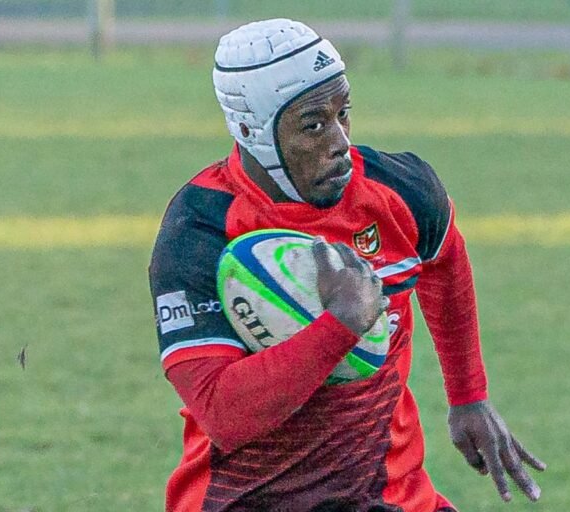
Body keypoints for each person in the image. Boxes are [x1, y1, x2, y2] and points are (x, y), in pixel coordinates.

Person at [149, 19, 545, 512]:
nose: (338, 141)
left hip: (390, 497)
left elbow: (445, 257)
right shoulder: (200, 228)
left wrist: (468, 394)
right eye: (313, 124)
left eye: (344, 113)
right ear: (252, 130)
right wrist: (342, 323)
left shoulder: (399, 189)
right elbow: (222, 414)